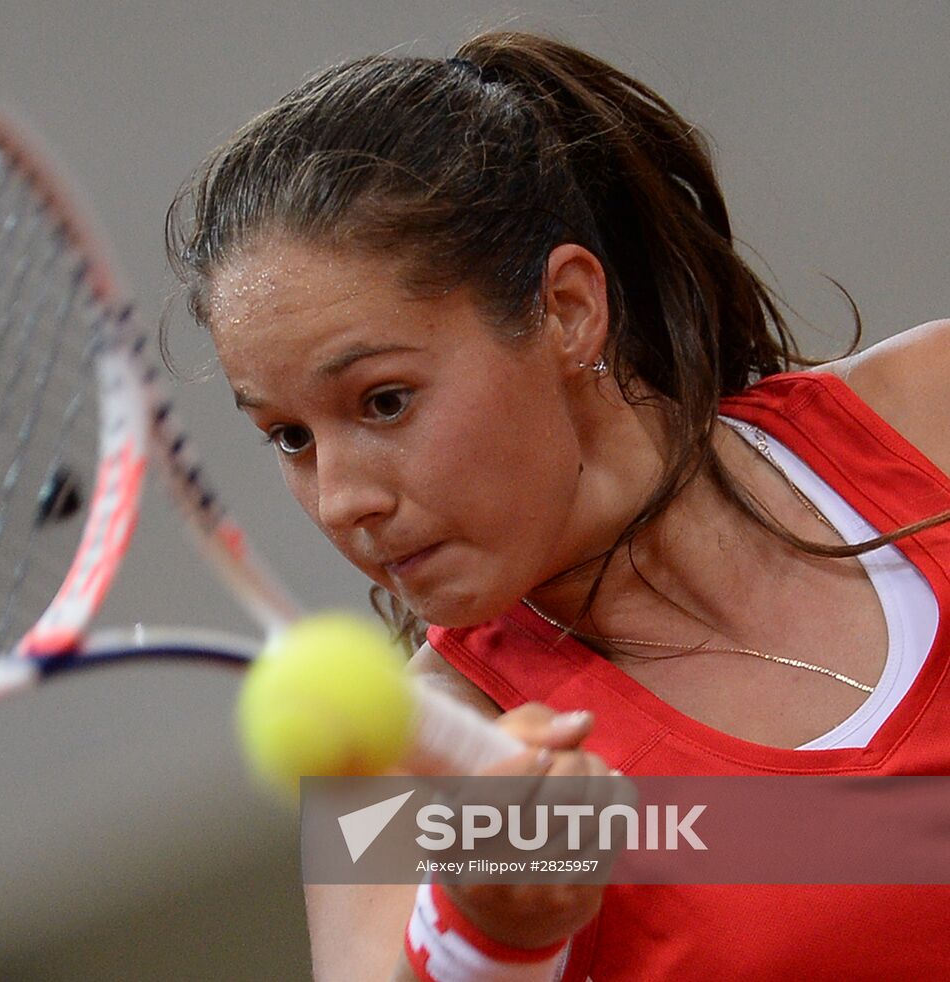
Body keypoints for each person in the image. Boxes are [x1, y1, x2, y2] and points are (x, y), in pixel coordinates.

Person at [165, 27, 950, 982]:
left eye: (384, 401)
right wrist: (487, 936)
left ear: (569, 309)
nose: (341, 501)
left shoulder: (928, 412)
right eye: (292, 437)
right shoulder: (395, 776)